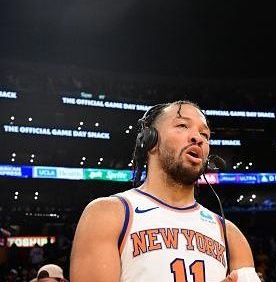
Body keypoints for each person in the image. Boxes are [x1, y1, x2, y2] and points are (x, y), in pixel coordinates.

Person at [70, 101, 260, 281]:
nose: (197, 138)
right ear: (150, 140)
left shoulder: (230, 234)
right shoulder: (108, 214)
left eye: (205, 135)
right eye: (182, 126)